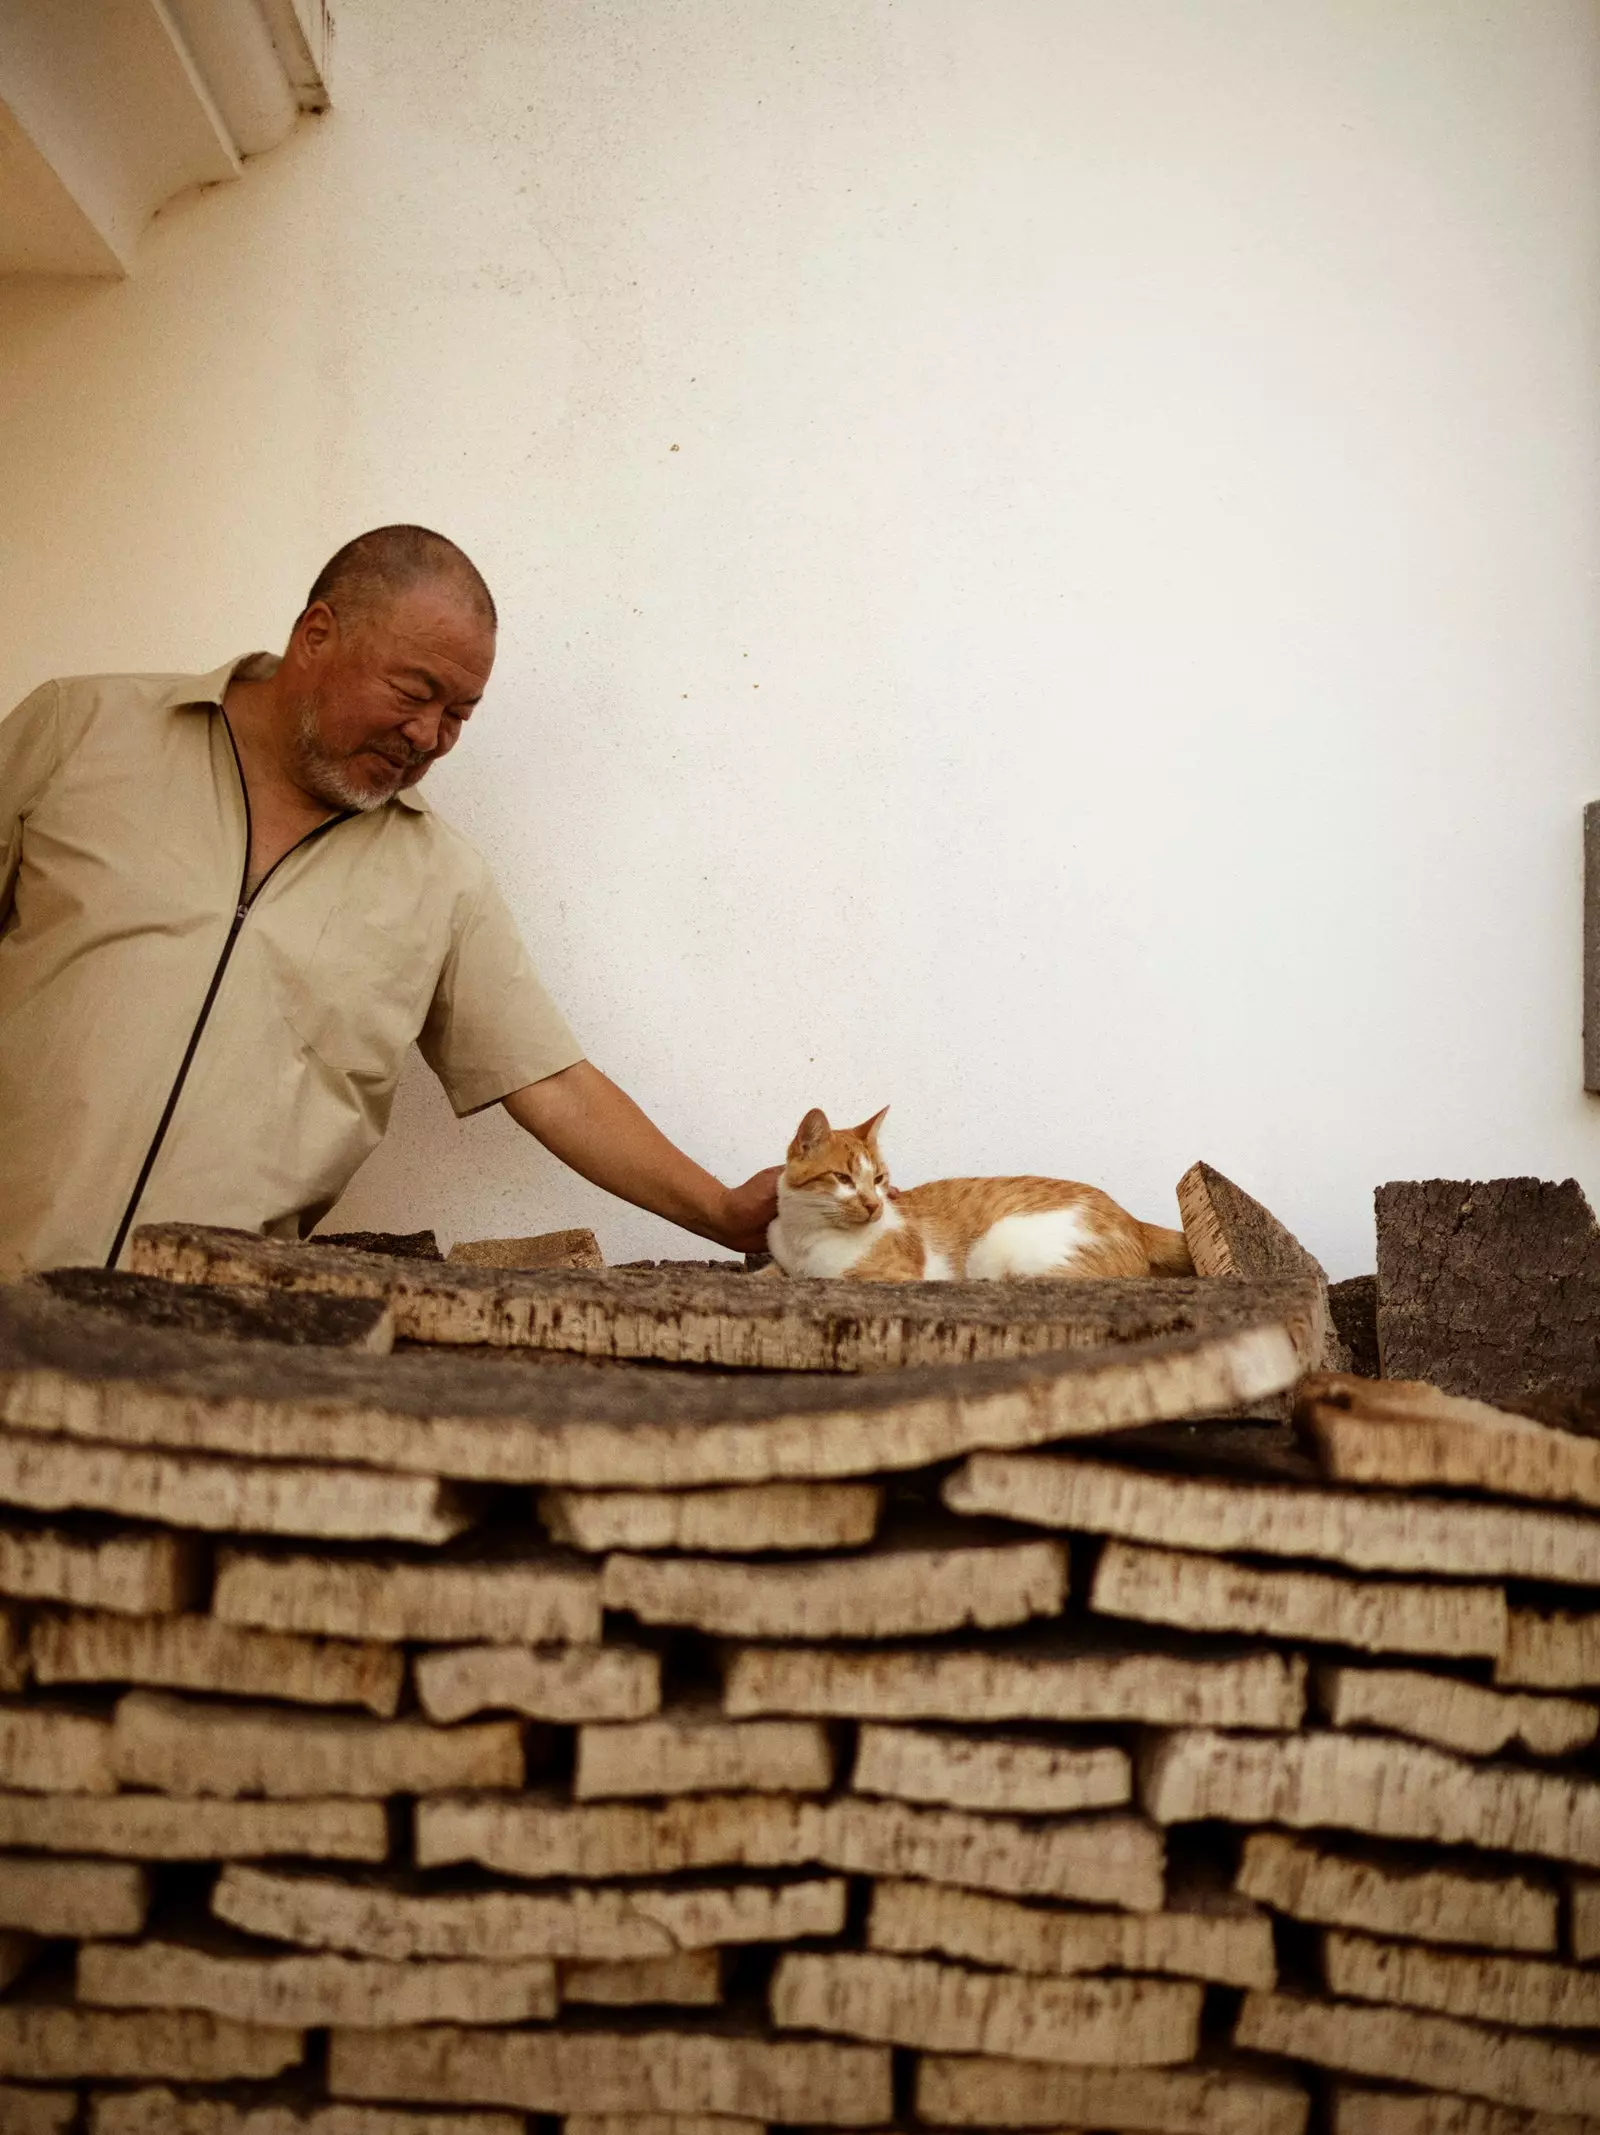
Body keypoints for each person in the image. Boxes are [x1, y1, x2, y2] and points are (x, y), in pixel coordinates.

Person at [0, 525, 779, 1278]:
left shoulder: (443, 880)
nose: (429, 734)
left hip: (209, 1350)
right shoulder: (79, 730)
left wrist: (719, 1210)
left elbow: (552, 1083)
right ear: (317, 634)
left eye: (460, 714)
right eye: (415, 691)